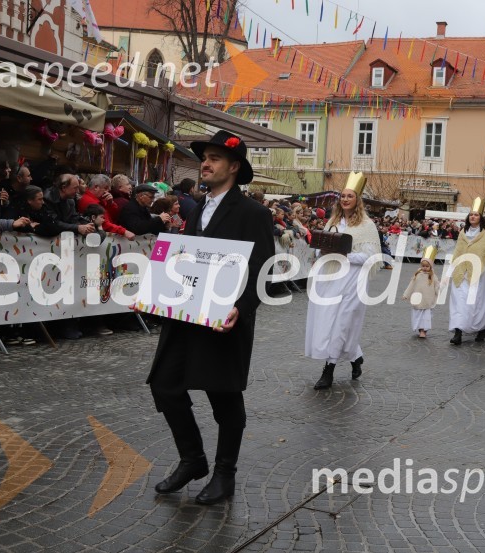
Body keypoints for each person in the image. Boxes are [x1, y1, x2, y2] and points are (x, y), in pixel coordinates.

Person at [147, 130, 274, 505]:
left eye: (215, 158)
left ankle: (224, 474)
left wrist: (244, 305)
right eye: (205, 157)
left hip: (225, 319)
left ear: (234, 167)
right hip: (186, 316)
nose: (205, 163)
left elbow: (264, 269)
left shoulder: (254, 212)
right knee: (164, 385)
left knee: (224, 398)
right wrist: (157, 288)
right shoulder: (195, 207)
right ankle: (193, 459)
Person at [305, 172, 381, 389]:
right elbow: (325, 246)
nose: (346, 199)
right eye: (343, 196)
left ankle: (328, 371)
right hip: (331, 278)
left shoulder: (366, 225)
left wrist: (346, 255)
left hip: (353, 280)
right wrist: (321, 254)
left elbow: (371, 256)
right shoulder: (333, 221)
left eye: (350, 196)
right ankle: (356, 357)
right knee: (329, 320)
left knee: (342, 322)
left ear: (357, 200)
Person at [447, 197, 485, 345]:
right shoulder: (463, 233)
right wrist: (448, 274)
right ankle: (458, 331)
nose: (473, 216)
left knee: (477, 304)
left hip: (480, 276)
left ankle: (481, 328)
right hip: (461, 274)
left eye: (476, 214)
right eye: (471, 214)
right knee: (459, 303)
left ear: (481, 217)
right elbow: (457, 254)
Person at [402, 246, 440, 339]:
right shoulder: (417, 274)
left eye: (427, 266)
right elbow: (411, 285)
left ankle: (424, 330)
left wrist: (440, 290)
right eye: (423, 266)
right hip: (417, 299)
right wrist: (406, 294)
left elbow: (437, 286)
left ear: (430, 266)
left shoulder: (433, 276)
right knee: (417, 315)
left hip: (427, 300)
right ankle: (420, 329)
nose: (425, 268)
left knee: (426, 317)